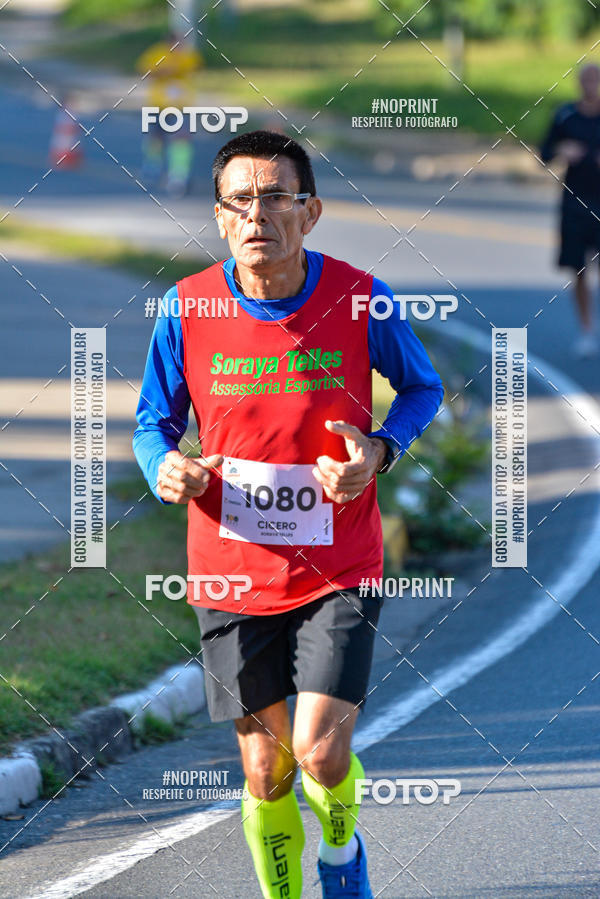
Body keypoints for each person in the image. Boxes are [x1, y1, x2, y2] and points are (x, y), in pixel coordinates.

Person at [133, 130, 444, 898]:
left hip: (338, 561)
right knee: (265, 768)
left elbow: (421, 388)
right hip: (230, 567)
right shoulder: (187, 305)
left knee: (318, 753)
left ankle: (341, 860)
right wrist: (162, 465)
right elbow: (152, 423)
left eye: (276, 197)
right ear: (218, 215)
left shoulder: (361, 295)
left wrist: (378, 450)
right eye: (240, 200)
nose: (257, 214)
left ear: (311, 213)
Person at [540, 62, 600, 357]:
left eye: (595, 79)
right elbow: (544, 153)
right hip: (574, 202)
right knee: (579, 268)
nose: (590, 85)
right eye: (585, 79)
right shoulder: (566, 115)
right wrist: (563, 150)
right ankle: (586, 330)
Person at [136, 32, 203, 196]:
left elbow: (196, 66)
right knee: (155, 139)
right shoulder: (157, 53)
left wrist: (175, 68)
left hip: (180, 107)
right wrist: (162, 72)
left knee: (181, 141)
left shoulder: (188, 56)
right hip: (158, 105)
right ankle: (153, 167)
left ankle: (179, 174)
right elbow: (144, 71)